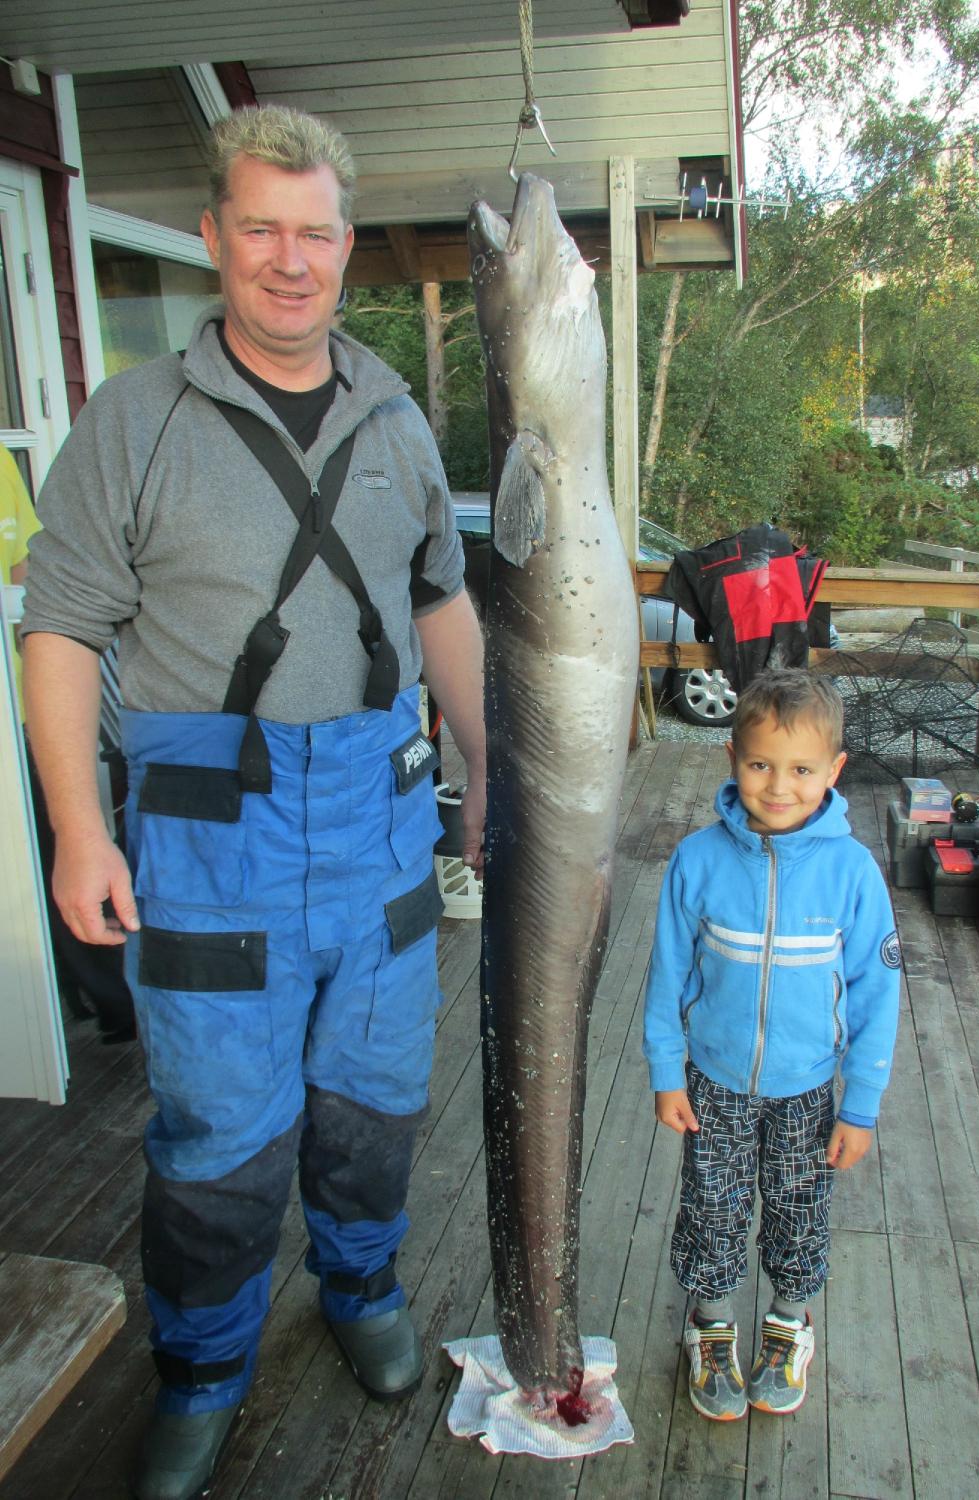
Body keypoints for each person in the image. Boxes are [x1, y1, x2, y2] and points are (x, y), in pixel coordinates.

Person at [22, 104, 485, 1500]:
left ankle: (359, 1290)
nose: (292, 260)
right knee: (217, 1132)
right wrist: (79, 829)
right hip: (207, 842)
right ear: (216, 238)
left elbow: (441, 603)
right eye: (262, 229)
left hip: (383, 829)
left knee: (375, 1101)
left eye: (318, 232)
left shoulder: (399, 418)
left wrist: (489, 765)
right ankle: (207, 1366)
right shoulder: (131, 425)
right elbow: (57, 632)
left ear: (348, 245)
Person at [643, 670, 900, 1422]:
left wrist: (861, 1106)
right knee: (711, 1209)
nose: (778, 786)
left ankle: (789, 1325)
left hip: (809, 1088)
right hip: (713, 1081)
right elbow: (666, 977)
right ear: (731, 758)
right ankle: (711, 1327)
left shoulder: (853, 872)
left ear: (833, 771)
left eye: (800, 770)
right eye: (760, 764)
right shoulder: (695, 860)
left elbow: (877, 995)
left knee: (799, 1208)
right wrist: (668, 1072)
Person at [2, 445, 134, 1040]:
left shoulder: (3, 465)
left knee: (67, 854)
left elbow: (28, 582)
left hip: (22, 713)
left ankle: (116, 1006)